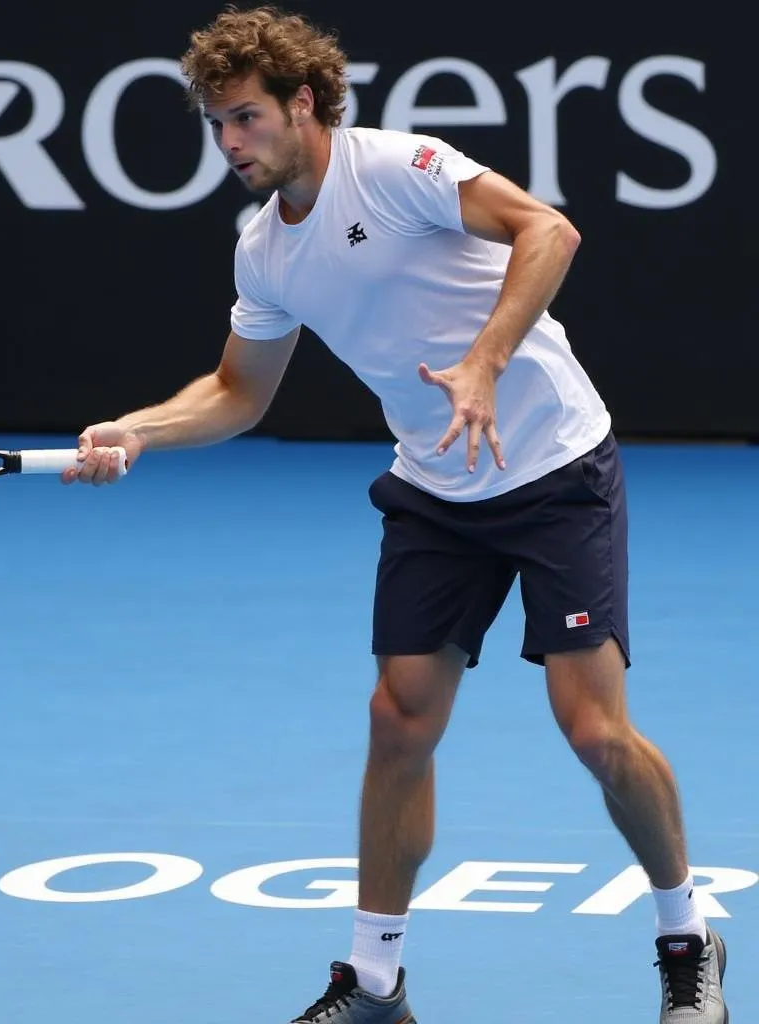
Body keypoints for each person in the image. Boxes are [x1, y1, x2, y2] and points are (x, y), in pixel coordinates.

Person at [62, 6, 729, 1022]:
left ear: (301, 104)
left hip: (551, 465)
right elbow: (237, 392)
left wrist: (483, 363)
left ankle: (686, 937)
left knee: (593, 730)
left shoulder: (394, 167)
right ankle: (375, 983)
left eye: (245, 118)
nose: (231, 144)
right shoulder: (262, 252)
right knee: (397, 719)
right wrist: (139, 428)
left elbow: (549, 230)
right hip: (434, 488)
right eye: (215, 126)